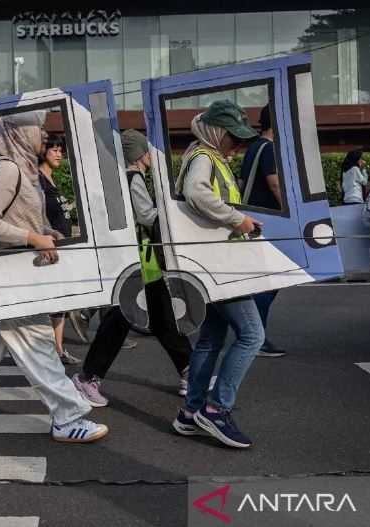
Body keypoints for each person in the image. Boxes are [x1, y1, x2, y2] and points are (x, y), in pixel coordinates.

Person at [0, 111, 108, 443]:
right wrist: (32, 239)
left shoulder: (22, 168)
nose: (42, 134)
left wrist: (44, 232)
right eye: (37, 128)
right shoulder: (8, 169)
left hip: (15, 273)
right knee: (39, 345)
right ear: (18, 133)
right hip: (11, 275)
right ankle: (67, 416)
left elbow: (23, 216)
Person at [72, 129, 192, 407]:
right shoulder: (134, 177)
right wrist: (173, 213)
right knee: (126, 315)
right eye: (146, 150)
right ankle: (88, 377)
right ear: (138, 154)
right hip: (141, 255)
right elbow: (147, 216)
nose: (150, 155)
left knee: (161, 313)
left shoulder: (118, 179)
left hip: (136, 256)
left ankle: (189, 370)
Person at [171, 100, 265, 449]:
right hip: (219, 265)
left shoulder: (206, 154)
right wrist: (236, 219)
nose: (238, 146)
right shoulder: (204, 158)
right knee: (253, 335)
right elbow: (197, 191)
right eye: (234, 138)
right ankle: (215, 410)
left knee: (211, 338)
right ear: (217, 132)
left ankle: (190, 413)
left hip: (208, 262)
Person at [238, 104, 286, 358]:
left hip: (254, 220)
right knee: (269, 282)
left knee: (264, 282)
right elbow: (275, 183)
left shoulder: (253, 147)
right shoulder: (268, 148)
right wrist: (289, 213)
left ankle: (254, 333)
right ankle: (257, 335)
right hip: (268, 221)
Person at [38, 135, 81, 365]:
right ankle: (52, 351)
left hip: (61, 247)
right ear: (43, 151)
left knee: (60, 301)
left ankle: (57, 349)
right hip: (48, 250)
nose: (59, 154)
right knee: (55, 300)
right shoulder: (38, 180)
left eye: (60, 150)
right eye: (54, 149)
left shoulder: (51, 179)